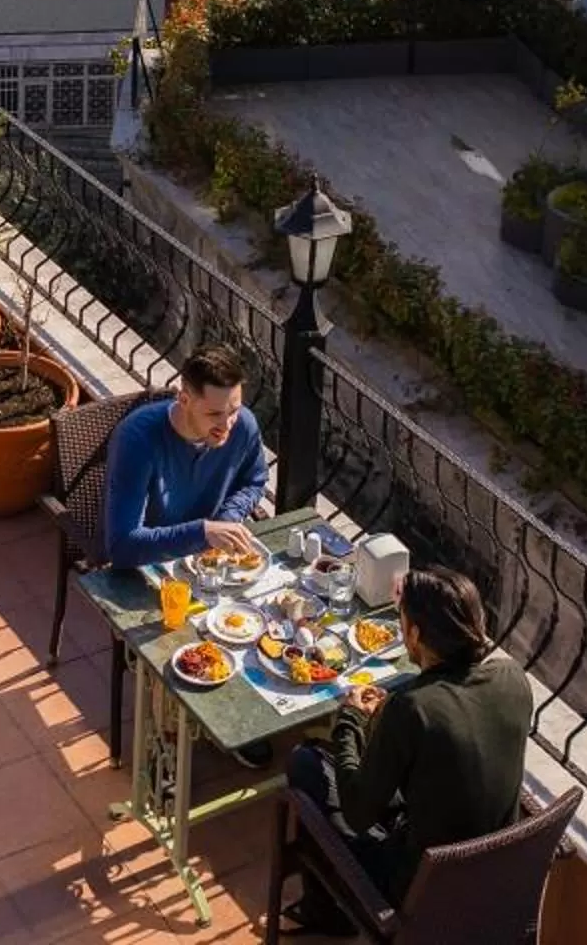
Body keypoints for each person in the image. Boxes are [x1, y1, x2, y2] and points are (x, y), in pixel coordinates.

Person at [280, 566, 531, 935]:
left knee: (306, 763)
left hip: (423, 890)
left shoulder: (414, 709)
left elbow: (357, 811)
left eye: (402, 623)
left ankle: (329, 914)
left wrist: (349, 720)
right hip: (495, 877)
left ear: (414, 633)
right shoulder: (514, 679)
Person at [100, 343, 270, 569]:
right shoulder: (136, 440)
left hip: (209, 561)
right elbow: (122, 547)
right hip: (149, 563)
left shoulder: (244, 425)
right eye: (214, 414)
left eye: (234, 410)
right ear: (184, 400)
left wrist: (227, 518)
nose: (227, 424)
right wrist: (203, 533)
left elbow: (254, 481)